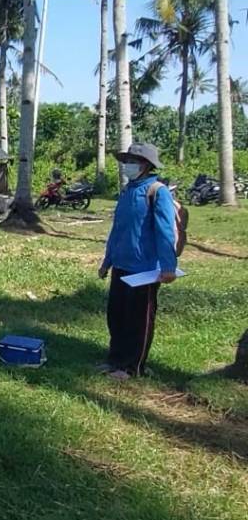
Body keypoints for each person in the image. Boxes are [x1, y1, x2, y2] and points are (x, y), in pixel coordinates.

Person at [98, 141, 178, 381]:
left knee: (138, 320)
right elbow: (118, 230)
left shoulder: (157, 191)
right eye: (126, 161)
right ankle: (115, 360)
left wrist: (168, 266)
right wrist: (107, 261)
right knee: (117, 317)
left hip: (145, 270)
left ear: (145, 165)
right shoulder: (127, 191)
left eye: (132, 162)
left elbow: (165, 231)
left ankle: (133, 367)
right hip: (121, 265)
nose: (127, 166)